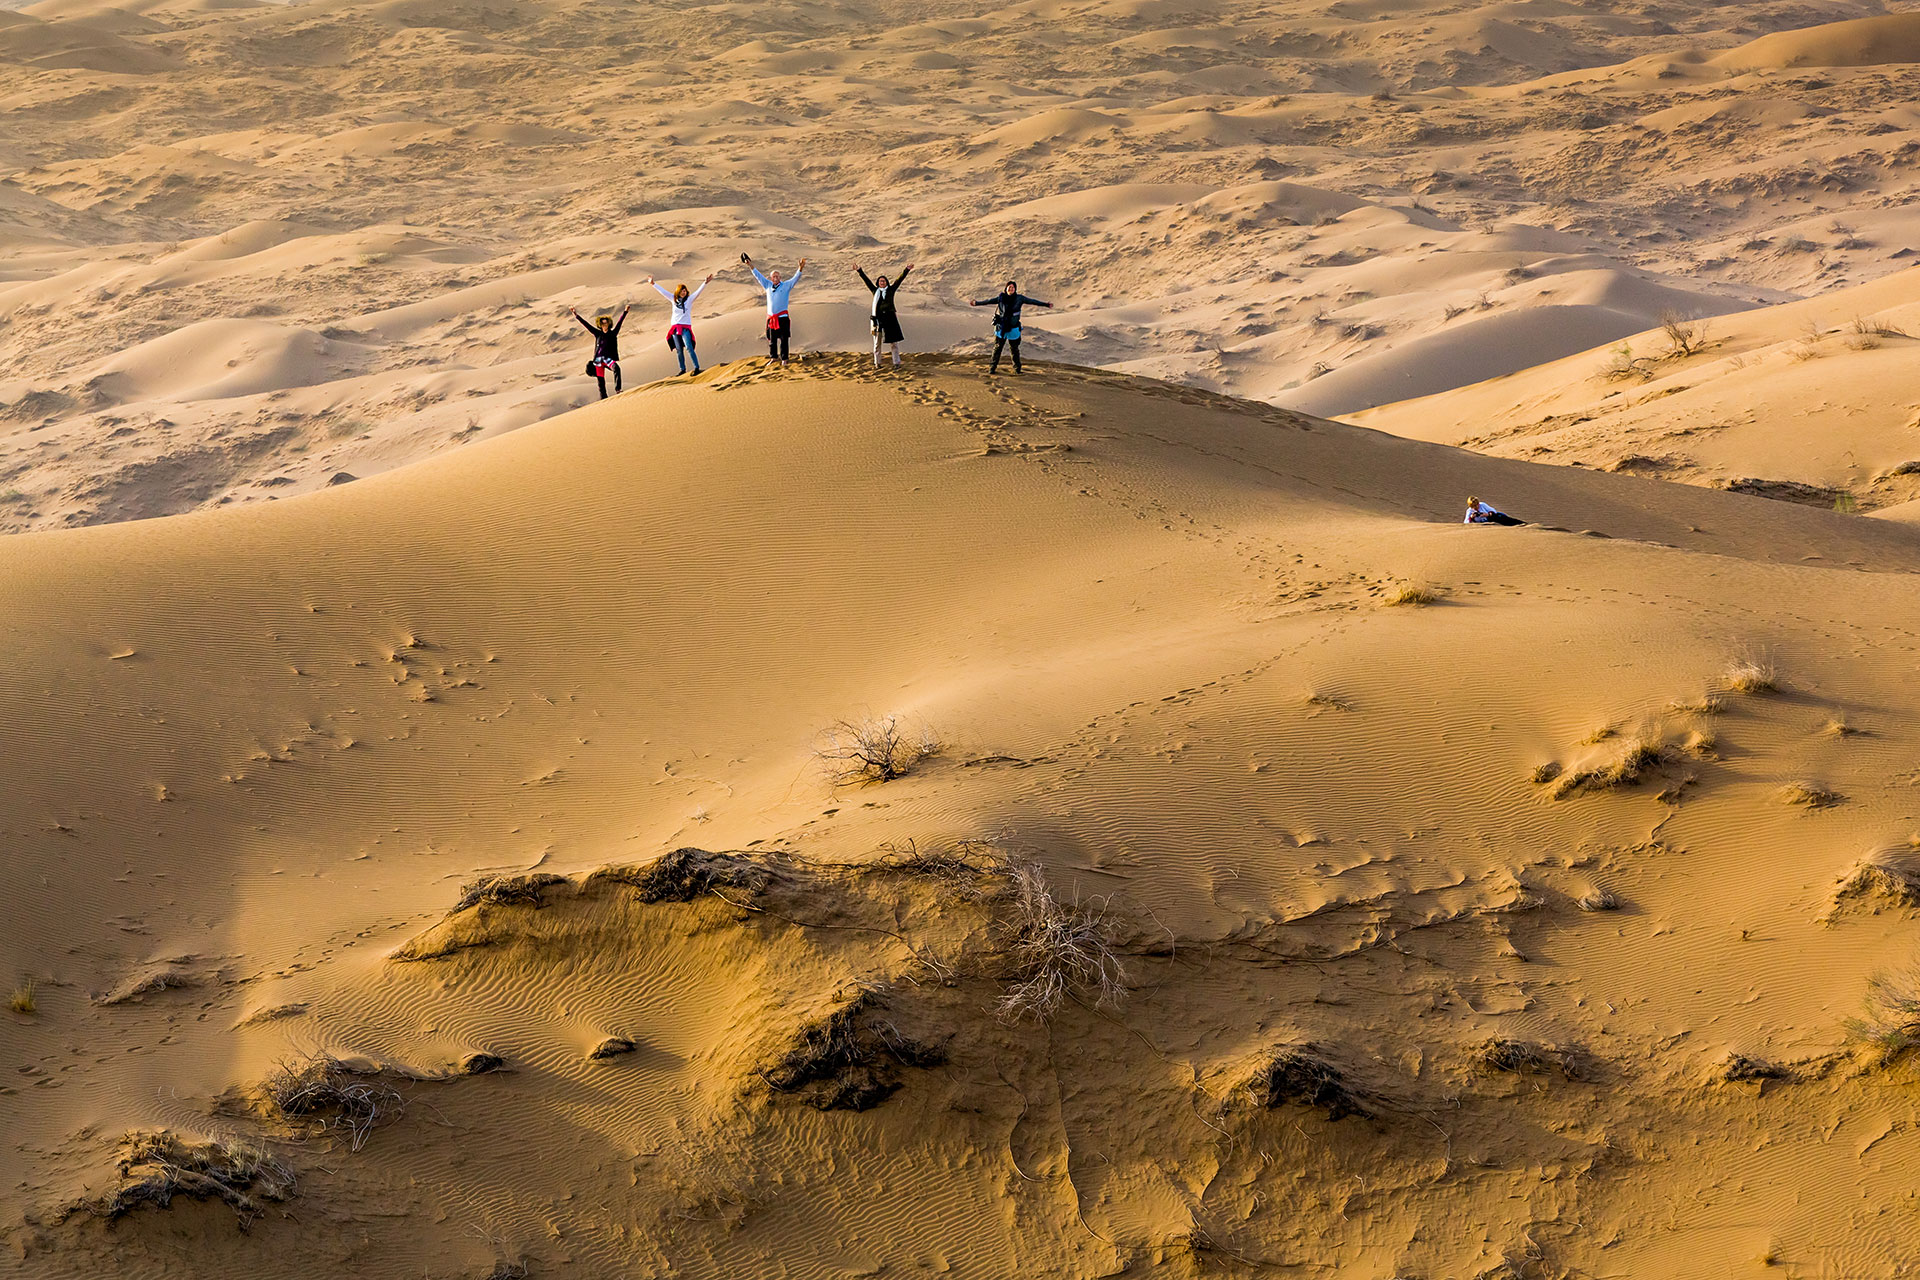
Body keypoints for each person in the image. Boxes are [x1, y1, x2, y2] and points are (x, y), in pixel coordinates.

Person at [970, 281, 1051, 374]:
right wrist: (976, 303)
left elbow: (1032, 301)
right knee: (997, 348)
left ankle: (1017, 370)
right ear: (1006, 288)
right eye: (1009, 287)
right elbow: (988, 301)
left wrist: (1046, 304)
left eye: (1013, 287)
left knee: (1014, 349)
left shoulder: (1020, 298)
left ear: (1015, 289)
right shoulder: (1001, 298)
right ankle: (992, 369)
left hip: (1014, 328)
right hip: (1001, 328)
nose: (1011, 289)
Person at [742, 252, 806, 365]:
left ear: (780, 278)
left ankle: (784, 359)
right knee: (772, 340)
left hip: (782, 317)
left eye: (777, 276)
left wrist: (800, 268)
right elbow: (758, 275)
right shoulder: (767, 285)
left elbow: (796, 278)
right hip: (771, 319)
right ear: (771, 278)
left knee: (784, 339)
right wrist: (749, 264)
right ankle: (774, 357)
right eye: (773, 276)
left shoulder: (786, 285)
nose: (775, 278)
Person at [650, 273, 713, 376]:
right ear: (678, 292)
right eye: (682, 291)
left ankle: (696, 367)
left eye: (685, 291)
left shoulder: (689, 300)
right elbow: (663, 292)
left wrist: (705, 283)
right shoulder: (673, 299)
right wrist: (653, 284)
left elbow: (698, 292)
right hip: (675, 329)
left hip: (685, 328)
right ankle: (682, 369)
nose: (684, 292)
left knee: (689, 347)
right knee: (679, 350)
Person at [856, 262, 913, 368]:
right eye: (880, 281)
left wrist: (907, 269)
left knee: (894, 343)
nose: (882, 282)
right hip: (878, 320)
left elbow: (899, 280)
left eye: (884, 281)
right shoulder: (875, 291)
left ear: (886, 282)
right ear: (878, 283)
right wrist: (859, 270)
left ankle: (896, 363)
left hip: (890, 320)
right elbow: (867, 281)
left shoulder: (891, 290)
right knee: (877, 343)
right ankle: (877, 363)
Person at [571, 303, 627, 398]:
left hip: (607, 359)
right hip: (598, 360)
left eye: (606, 323)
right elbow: (587, 325)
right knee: (601, 380)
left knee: (616, 368)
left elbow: (620, 322)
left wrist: (625, 312)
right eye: (602, 323)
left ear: (609, 323)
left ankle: (618, 389)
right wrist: (576, 315)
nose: (604, 325)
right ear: (600, 325)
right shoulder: (598, 334)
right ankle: (603, 398)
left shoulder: (613, 333)